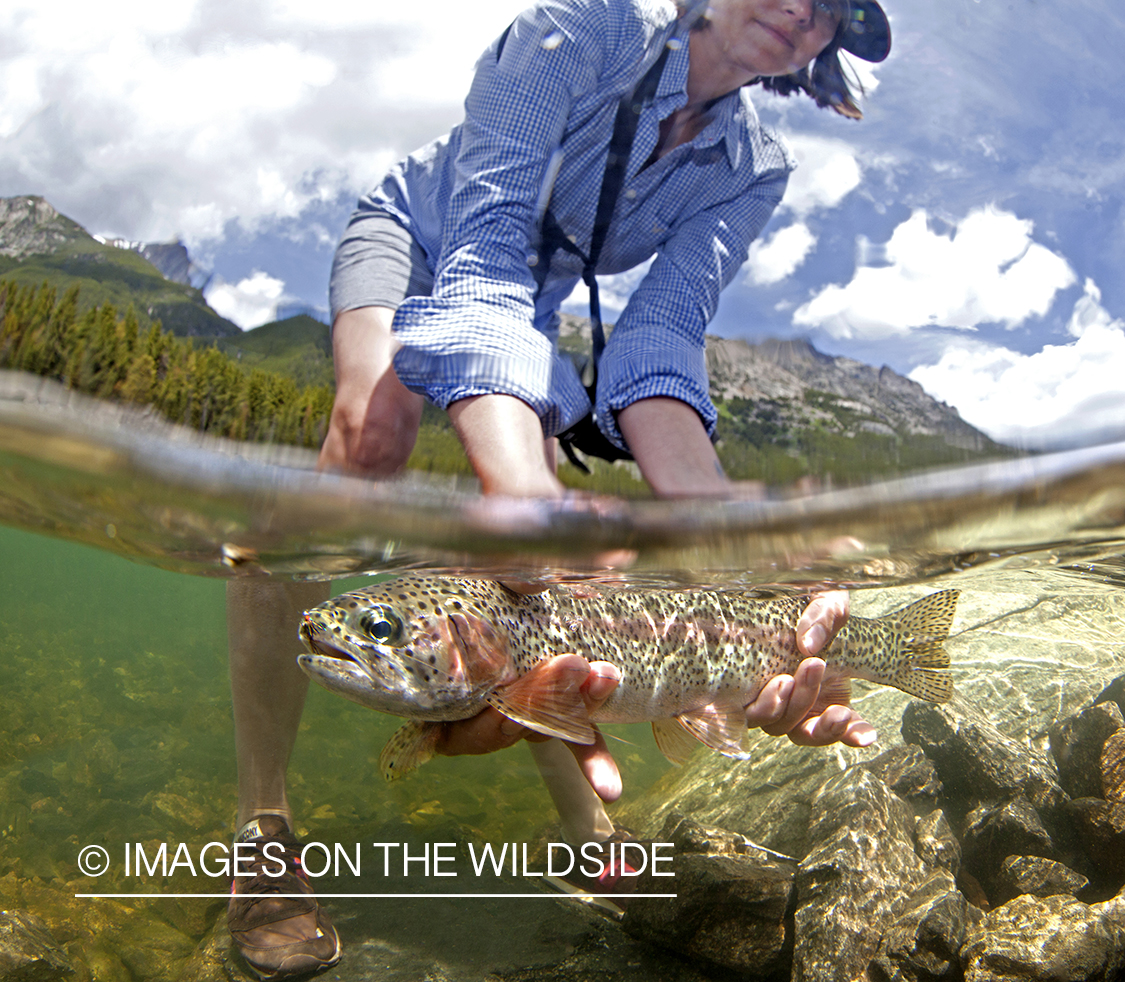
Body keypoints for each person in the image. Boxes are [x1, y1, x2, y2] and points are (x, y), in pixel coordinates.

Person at [225, 0, 891, 976]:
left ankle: (585, 828)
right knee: (369, 439)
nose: (802, 9)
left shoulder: (756, 170)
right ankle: (263, 825)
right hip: (422, 234)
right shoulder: (584, 24)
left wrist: (739, 556)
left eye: (834, 7)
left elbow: (661, 344)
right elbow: (485, 251)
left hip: (520, 309)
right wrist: (527, 495)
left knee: (547, 594)